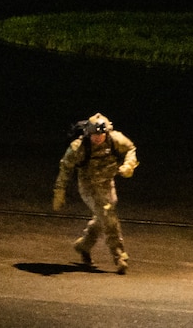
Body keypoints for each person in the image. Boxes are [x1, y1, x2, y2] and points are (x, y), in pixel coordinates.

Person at [51, 112, 137, 272]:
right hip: (88, 187)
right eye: (94, 134)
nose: (98, 137)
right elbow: (65, 168)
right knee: (107, 215)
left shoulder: (115, 139)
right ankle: (119, 255)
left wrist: (129, 165)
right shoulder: (78, 147)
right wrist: (59, 191)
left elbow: (131, 149)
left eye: (101, 134)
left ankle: (84, 245)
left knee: (103, 216)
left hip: (107, 183)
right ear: (88, 133)